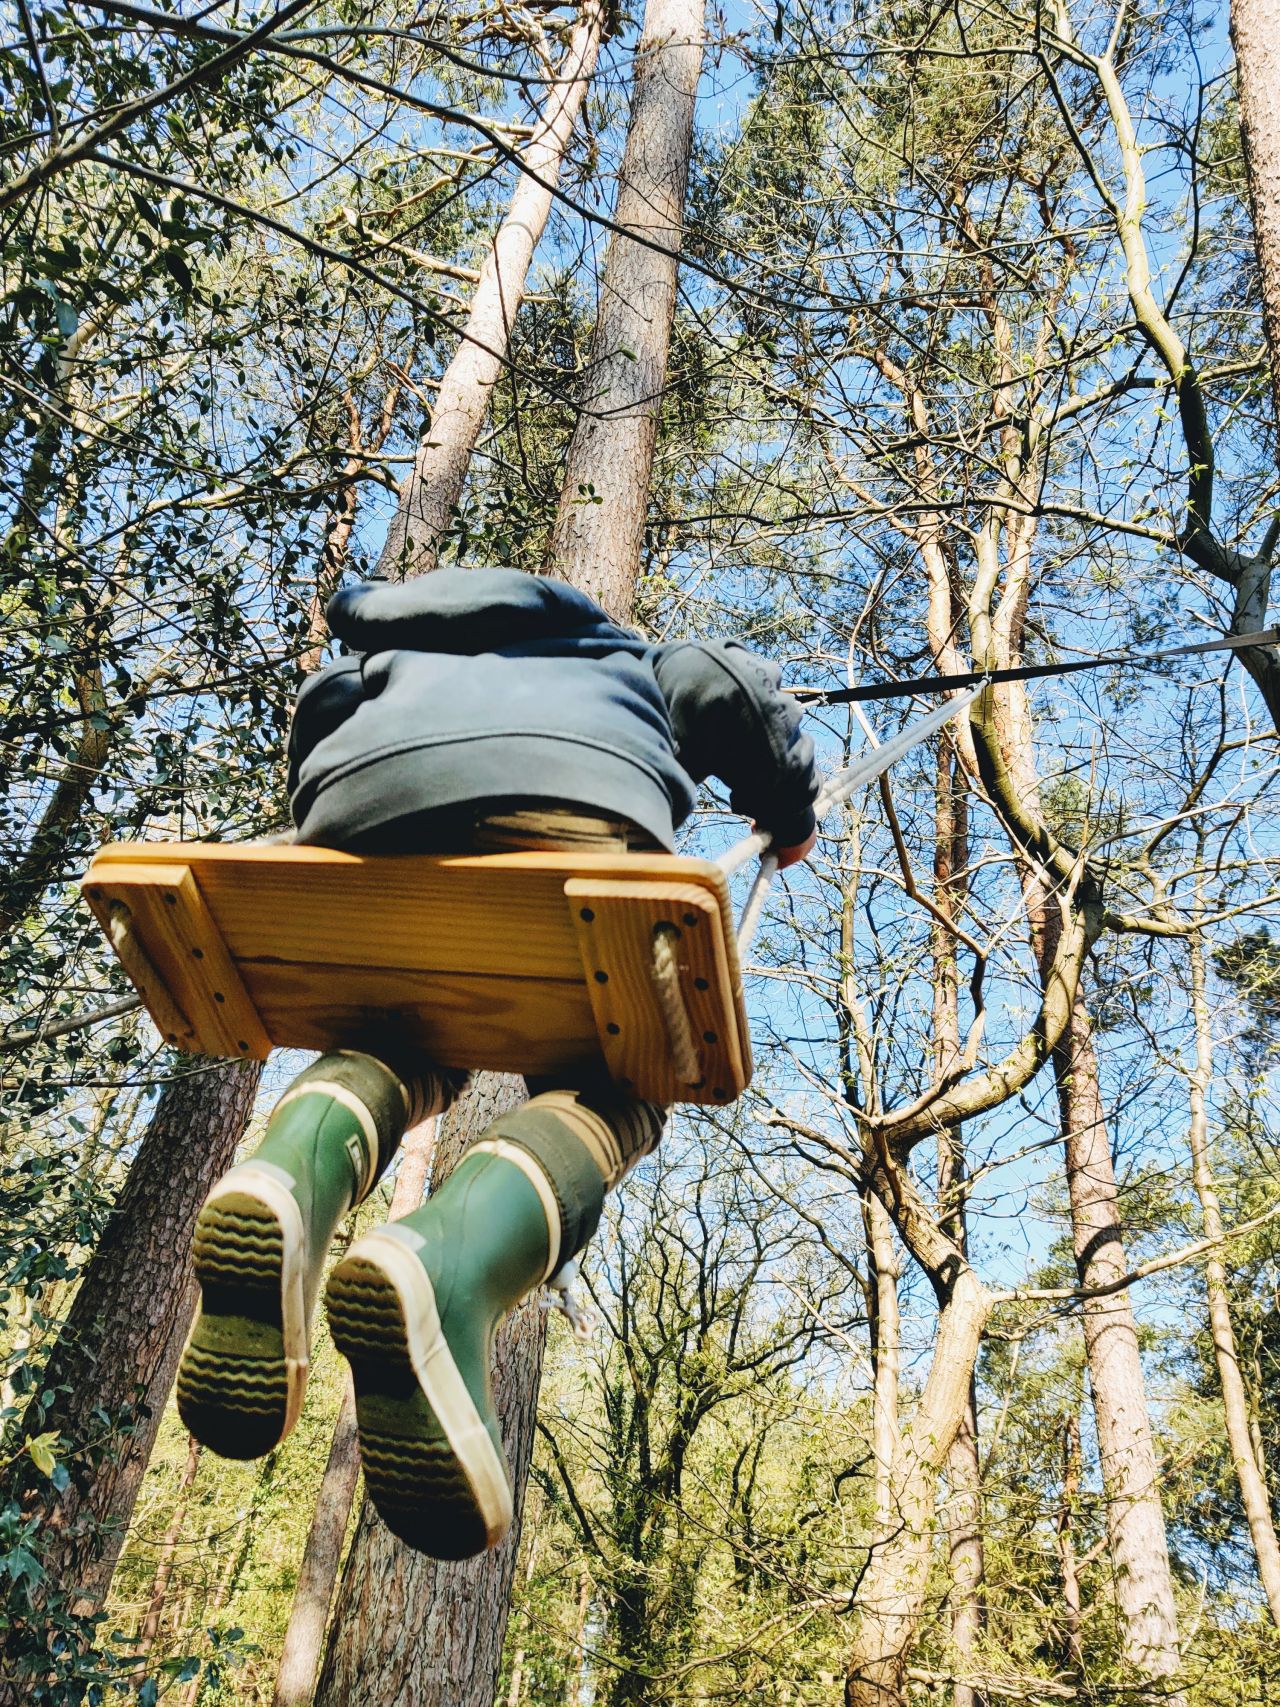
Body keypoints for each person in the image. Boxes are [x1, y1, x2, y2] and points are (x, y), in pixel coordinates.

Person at [176, 568, 818, 1560]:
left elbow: (319, 717)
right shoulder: (619, 653)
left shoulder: (378, 650)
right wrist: (787, 801)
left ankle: (288, 1173)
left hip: (361, 822)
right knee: (622, 1090)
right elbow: (715, 683)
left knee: (395, 1039)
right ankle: (452, 1262)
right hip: (569, 808)